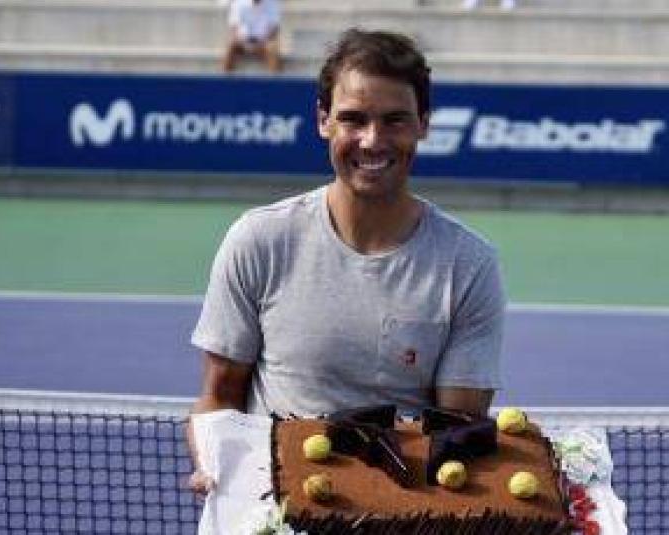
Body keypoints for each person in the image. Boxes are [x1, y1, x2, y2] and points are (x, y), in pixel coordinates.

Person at [187, 28, 506, 494]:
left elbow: (456, 431)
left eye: (394, 121)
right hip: (270, 499)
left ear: (423, 124)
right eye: (353, 119)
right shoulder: (258, 240)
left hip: (404, 507)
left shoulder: (469, 264)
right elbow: (218, 398)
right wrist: (214, 465)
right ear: (324, 121)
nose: (372, 141)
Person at [222, 0, 282, 73]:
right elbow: (234, 27)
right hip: (242, 42)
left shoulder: (273, 4)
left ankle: (275, 79)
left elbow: (274, 29)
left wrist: (263, 42)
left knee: (272, 48)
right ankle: (224, 78)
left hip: (263, 43)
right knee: (231, 45)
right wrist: (243, 42)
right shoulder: (238, 3)